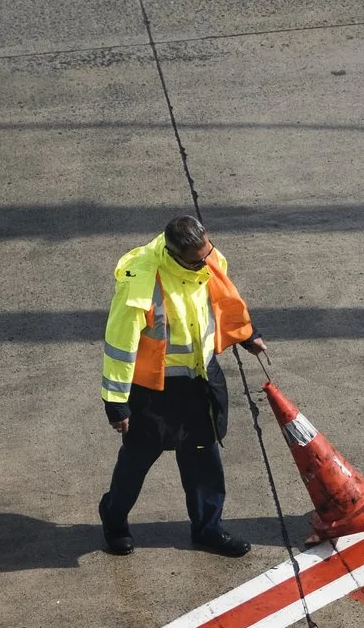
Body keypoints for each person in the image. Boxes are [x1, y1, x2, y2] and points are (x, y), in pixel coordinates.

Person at [97, 215, 267, 557]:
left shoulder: (206, 258)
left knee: (204, 457)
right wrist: (116, 402)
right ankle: (114, 517)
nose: (207, 262)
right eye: (197, 259)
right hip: (154, 390)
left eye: (208, 252)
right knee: (137, 460)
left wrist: (246, 335)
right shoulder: (142, 280)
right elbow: (119, 343)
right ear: (175, 254)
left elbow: (223, 298)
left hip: (202, 379)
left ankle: (208, 528)